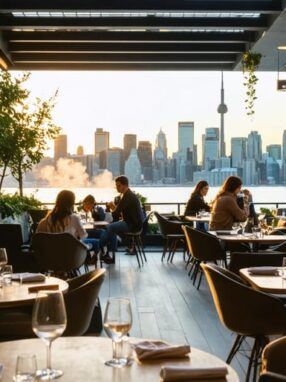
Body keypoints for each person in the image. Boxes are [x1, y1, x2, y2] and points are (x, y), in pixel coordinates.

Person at [99, 175, 144, 264]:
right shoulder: (128, 195)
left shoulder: (127, 196)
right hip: (133, 223)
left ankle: (101, 246)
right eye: (116, 186)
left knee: (110, 227)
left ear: (125, 185)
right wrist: (114, 209)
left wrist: (112, 208)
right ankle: (110, 252)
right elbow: (119, 212)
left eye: (118, 186)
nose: (116, 188)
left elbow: (116, 212)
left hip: (132, 225)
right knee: (112, 229)